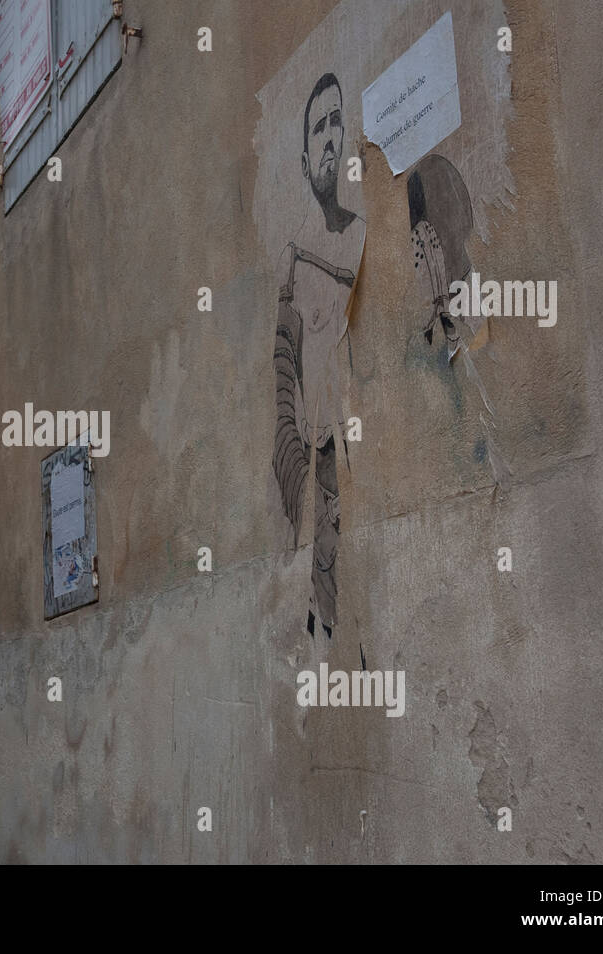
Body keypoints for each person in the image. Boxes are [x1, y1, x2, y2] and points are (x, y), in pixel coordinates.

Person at [273, 72, 366, 640]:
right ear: (305, 160)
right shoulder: (295, 257)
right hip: (317, 457)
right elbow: (284, 368)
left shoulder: (360, 237)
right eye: (318, 129)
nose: (329, 137)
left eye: (337, 122)